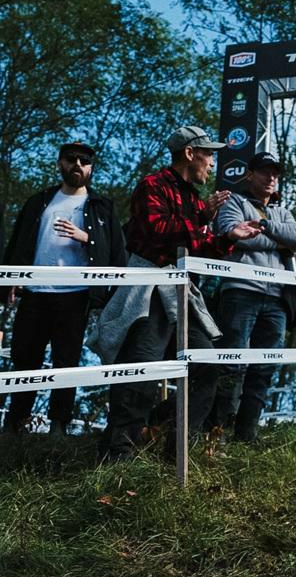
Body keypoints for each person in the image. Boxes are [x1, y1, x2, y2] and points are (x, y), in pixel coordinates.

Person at [93, 126, 263, 461]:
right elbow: (161, 232)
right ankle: (117, 455)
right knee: (141, 369)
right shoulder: (151, 185)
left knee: (206, 366)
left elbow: (196, 249)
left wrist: (230, 236)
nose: (212, 163)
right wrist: (201, 218)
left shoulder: (193, 198)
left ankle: (176, 445)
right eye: (209, 154)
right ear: (190, 153)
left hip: (181, 290)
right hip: (149, 288)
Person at [2, 141, 125, 434]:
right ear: (60, 163)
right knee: (24, 357)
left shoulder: (101, 207)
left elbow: (117, 253)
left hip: (75, 295)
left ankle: (59, 425)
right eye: (72, 159)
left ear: (92, 167)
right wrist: (11, 279)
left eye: (85, 161)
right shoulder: (40, 201)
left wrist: (87, 237)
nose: (78, 165)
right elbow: (18, 242)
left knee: (65, 361)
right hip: (35, 292)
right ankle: (16, 423)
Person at [212, 152, 296, 443]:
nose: (271, 178)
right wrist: (280, 242)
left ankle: (246, 434)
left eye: (275, 173)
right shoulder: (233, 202)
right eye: (265, 172)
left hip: (278, 298)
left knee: (265, 365)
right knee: (232, 363)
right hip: (240, 291)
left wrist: (264, 226)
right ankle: (217, 432)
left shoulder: (281, 211)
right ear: (250, 174)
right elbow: (234, 233)